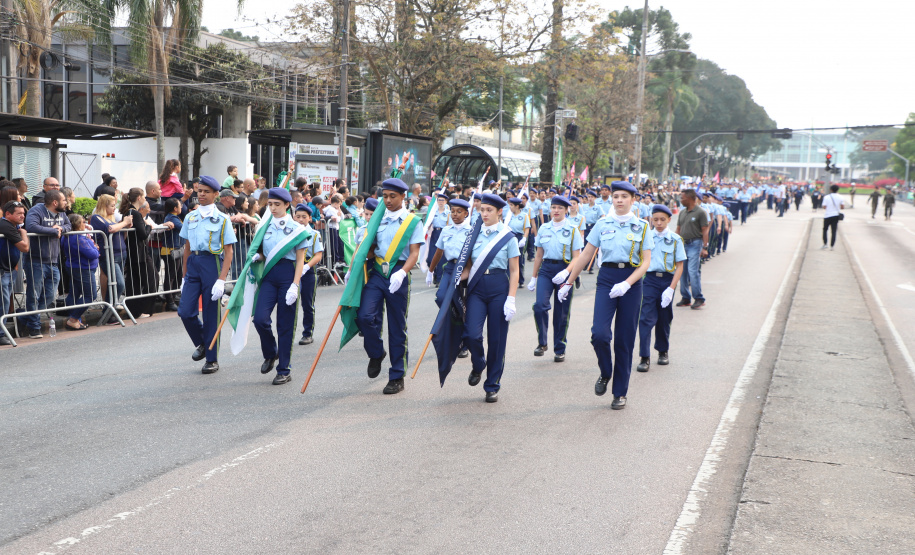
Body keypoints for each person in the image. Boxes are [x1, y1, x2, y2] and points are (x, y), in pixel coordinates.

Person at [559, 181, 652, 410]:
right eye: (615, 196)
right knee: (599, 334)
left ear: (632, 199)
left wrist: (628, 284)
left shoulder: (642, 226)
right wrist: (568, 282)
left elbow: (646, 262)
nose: (619, 200)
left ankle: (619, 393)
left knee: (624, 339)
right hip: (607, 278)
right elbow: (585, 255)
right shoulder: (602, 224)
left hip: (631, 281)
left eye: (623, 196)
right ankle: (605, 371)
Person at [353, 178, 425, 395]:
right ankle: (376, 353)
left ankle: (396, 376)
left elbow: (414, 253)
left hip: (399, 273)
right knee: (364, 316)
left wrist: (402, 272)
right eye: (385, 196)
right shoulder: (378, 218)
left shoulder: (412, 221)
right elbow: (370, 247)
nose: (388, 200)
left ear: (404, 197)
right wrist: (353, 269)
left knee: (396, 326)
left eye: (393, 196)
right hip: (377, 272)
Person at [461, 193, 520, 403]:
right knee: (471, 334)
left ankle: (492, 384)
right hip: (477, 287)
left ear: (499, 212)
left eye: (489, 210)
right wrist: (459, 277)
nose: (484, 214)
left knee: (496, 339)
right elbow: (468, 265)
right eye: (482, 210)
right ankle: (478, 364)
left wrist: (511, 298)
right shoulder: (473, 233)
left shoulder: (508, 236)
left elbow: (514, 271)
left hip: (498, 287)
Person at [251, 189, 311, 385]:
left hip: (288, 275)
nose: (273, 208)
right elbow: (263, 252)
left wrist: (295, 284)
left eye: (277, 204)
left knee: (285, 325)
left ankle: (284, 369)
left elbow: (301, 259)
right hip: (269, 275)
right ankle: (271, 353)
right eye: (270, 204)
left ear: (287, 205)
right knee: (260, 318)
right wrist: (256, 256)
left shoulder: (298, 228)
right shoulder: (263, 227)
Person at [178, 176, 237, 374]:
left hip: (212, 263)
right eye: (199, 191)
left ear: (215, 194)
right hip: (194, 264)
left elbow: (228, 251)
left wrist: (222, 279)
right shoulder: (190, 217)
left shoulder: (222, 219)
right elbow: (186, 247)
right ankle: (203, 342)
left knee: (211, 314)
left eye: (206, 191)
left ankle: (211, 359)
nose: (201, 194)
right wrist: (184, 276)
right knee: (185, 311)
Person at [527, 195, 582, 362]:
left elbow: (577, 257)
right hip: (546, 270)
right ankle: (542, 343)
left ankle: (560, 347)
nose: (556, 211)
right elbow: (538, 255)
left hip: (565, 270)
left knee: (561, 312)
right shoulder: (544, 228)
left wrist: (566, 273)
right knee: (540, 306)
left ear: (566, 210)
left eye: (560, 208)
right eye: (553, 207)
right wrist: (534, 277)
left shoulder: (573, 230)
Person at [636, 205, 686, 372]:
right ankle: (644, 356)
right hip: (649, 280)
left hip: (667, 281)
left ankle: (663, 351)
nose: (658, 223)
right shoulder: (645, 237)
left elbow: (680, 266)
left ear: (669, 220)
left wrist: (671, 289)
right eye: (655, 219)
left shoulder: (675, 240)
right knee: (645, 318)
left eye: (662, 220)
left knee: (664, 318)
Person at [22, 190, 71, 338]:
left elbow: (68, 225)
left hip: (53, 261)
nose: (66, 203)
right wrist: (52, 230)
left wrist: (61, 228)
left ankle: (25, 318)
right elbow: (30, 227)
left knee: (50, 295)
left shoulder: (62, 214)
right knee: (34, 295)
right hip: (35, 261)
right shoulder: (36, 210)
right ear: (55, 202)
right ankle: (34, 328)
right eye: (64, 200)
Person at [120, 189, 158, 318]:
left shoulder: (130, 212)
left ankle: (135, 310)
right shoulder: (134, 213)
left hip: (134, 254)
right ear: (139, 198)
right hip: (139, 254)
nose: (146, 200)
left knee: (135, 283)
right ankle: (145, 310)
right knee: (150, 280)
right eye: (144, 198)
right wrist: (148, 226)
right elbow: (142, 234)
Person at [90, 194, 131, 312]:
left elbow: (118, 230)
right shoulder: (96, 217)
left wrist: (126, 226)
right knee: (119, 283)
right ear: (104, 206)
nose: (114, 208)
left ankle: (111, 309)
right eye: (112, 206)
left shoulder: (112, 218)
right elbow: (110, 229)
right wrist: (124, 222)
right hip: (109, 255)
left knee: (115, 284)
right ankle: (108, 310)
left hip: (121, 253)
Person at [60, 214, 99, 330]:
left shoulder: (68, 236)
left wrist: (91, 245)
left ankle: (76, 319)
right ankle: (73, 319)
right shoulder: (79, 238)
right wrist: (94, 246)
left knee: (74, 293)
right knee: (91, 295)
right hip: (83, 268)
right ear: (77, 224)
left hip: (75, 267)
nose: (85, 224)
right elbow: (93, 254)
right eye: (82, 222)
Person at [292, 204, 323, 346]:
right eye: (297, 216)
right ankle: (289, 333)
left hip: (308, 270)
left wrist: (306, 266)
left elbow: (318, 255)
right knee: (290, 303)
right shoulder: (290, 233)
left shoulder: (315, 234)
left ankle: (307, 333)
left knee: (307, 303)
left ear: (310, 218)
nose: (300, 220)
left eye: (304, 217)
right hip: (292, 270)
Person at [0, 200, 29, 345]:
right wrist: (23, 233)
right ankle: (1, 334)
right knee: (3, 303)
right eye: (19, 214)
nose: (22, 216)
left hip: (8, 270)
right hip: (2, 271)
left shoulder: (12, 225)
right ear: (8, 214)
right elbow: (24, 247)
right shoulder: (5, 225)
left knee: (4, 302)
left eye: (23, 213)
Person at [675, 189, 709, 310]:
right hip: (683, 244)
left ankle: (699, 298)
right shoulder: (682, 212)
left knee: (692, 271)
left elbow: (705, 230)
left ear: (690, 198)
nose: (681, 200)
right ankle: (685, 297)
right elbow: (678, 229)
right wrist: (674, 244)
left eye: (682, 198)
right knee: (681, 271)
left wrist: (705, 247)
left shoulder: (700, 212)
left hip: (695, 243)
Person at [161, 198, 184, 311]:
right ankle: (169, 301)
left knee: (177, 274)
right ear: (175, 208)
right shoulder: (172, 218)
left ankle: (174, 298)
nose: (181, 207)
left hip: (176, 249)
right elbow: (184, 229)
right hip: (170, 250)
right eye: (180, 206)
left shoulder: (173, 217)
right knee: (171, 276)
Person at [424, 193, 450, 286]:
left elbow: (450, 226)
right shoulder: (433, 212)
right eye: (439, 200)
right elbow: (428, 224)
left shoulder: (448, 214)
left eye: (443, 200)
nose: (441, 202)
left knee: (441, 258)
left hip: (443, 234)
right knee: (431, 258)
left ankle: (439, 279)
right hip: (435, 233)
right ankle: (433, 272)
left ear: (446, 202)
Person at [506, 197, 531, 287]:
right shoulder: (508, 216)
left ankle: (520, 280)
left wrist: (524, 238)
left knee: (519, 260)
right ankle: (509, 279)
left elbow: (527, 228)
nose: (510, 207)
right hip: (509, 236)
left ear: (517, 206)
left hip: (519, 237)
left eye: (512, 205)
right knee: (508, 259)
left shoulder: (524, 216)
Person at [821, 184, 844, 250]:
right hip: (836, 215)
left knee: (825, 229)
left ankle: (825, 244)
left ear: (831, 190)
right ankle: (832, 246)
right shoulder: (840, 197)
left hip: (827, 215)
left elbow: (824, 207)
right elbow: (842, 207)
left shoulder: (826, 197)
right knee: (833, 231)